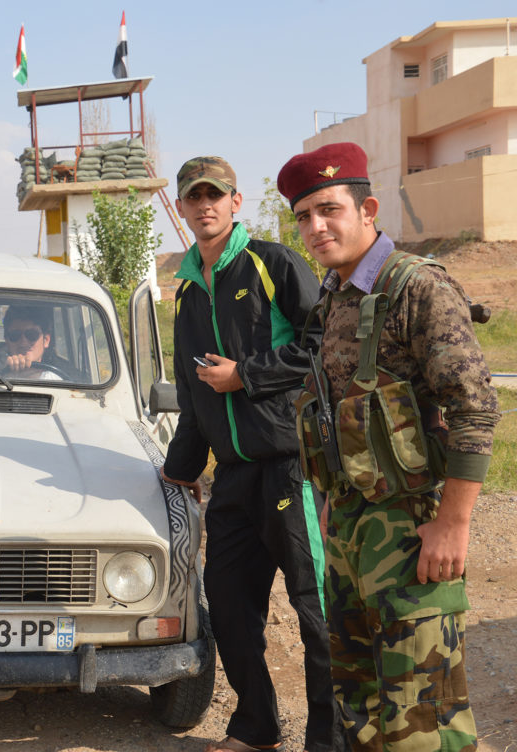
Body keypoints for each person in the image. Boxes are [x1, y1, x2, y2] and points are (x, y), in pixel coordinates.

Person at [277, 142, 499, 751]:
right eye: (303, 216)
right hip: (350, 532)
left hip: (410, 530)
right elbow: (331, 413)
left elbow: (475, 408)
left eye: (328, 210)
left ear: (367, 208)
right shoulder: (334, 299)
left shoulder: (417, 289)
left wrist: (453, 523)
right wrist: (329, 499)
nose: (315, 227)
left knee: (422, 721)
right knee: (361, 709)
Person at [161, 157, 342, 752]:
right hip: (232, 480)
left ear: (236, 201)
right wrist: (179, 469)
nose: (205, 205)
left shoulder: (273, 263)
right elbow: (192, 396)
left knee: (317, 614)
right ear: (183, 208)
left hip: (293, 466)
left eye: (216, 194)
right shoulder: (186, 291)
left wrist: (250, 375)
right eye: (194, 197)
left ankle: (328, 740)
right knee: (232, 616)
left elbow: (326, 345)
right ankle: (257, 728)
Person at [1, 304, 63, 381]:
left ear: (46, 340)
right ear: (7, 341)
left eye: (32, 335)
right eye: (15, 335)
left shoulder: (59, 382)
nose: (23, 343)